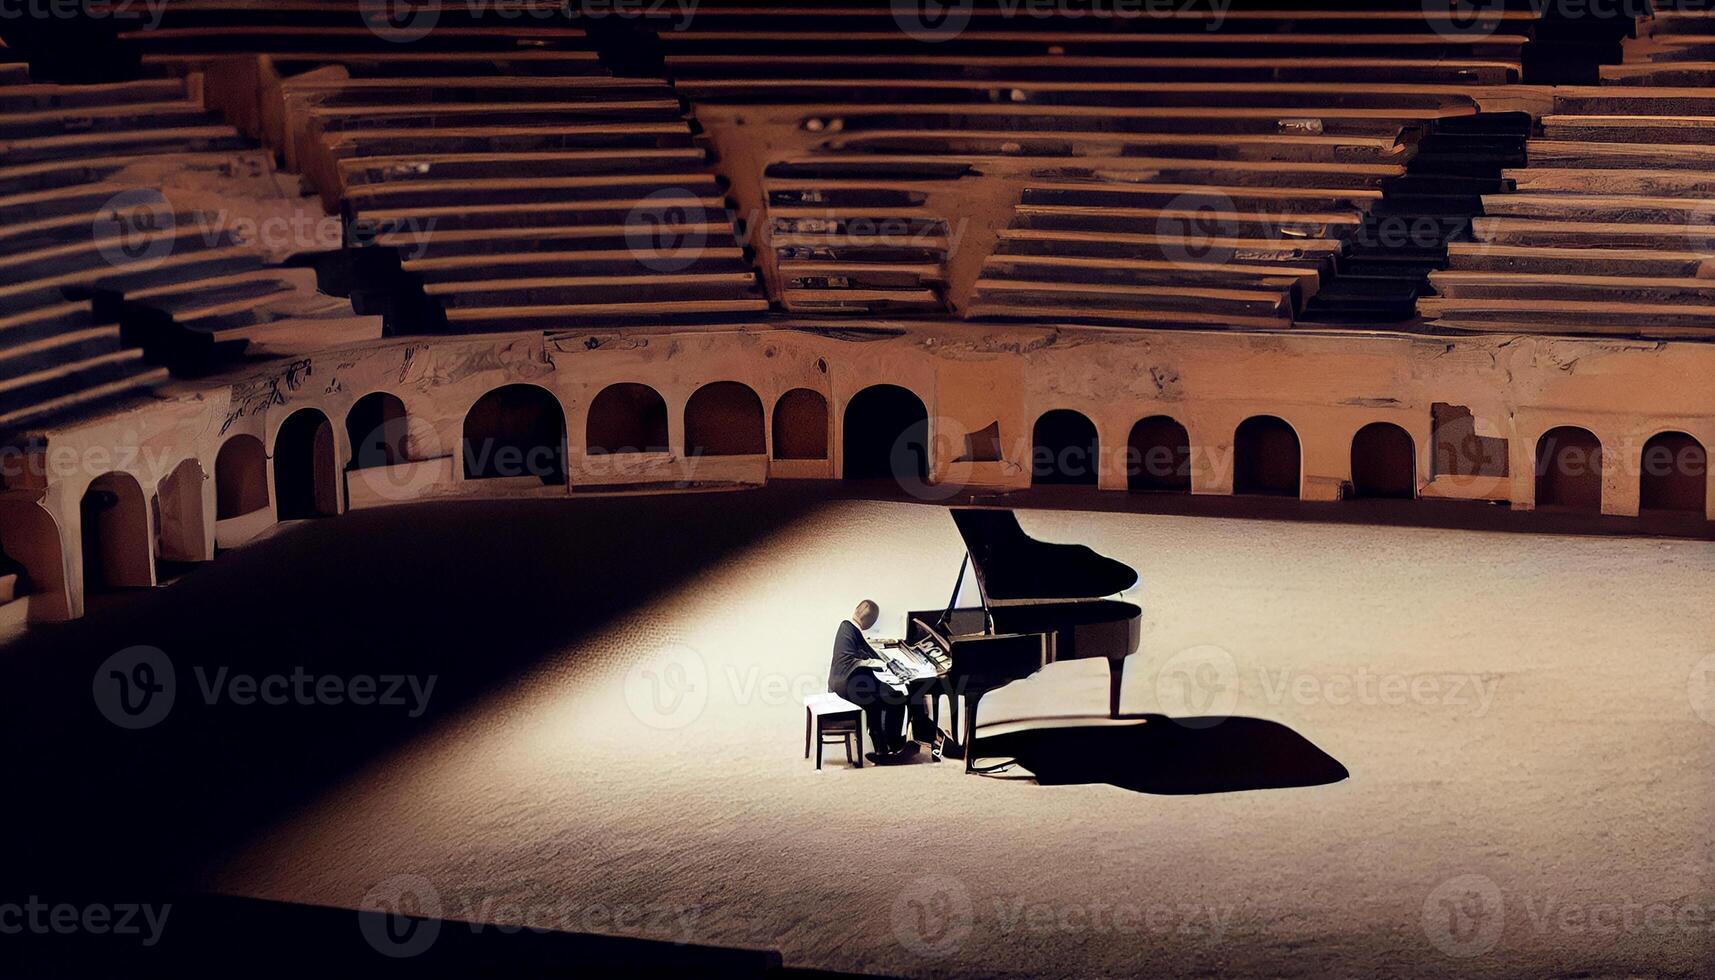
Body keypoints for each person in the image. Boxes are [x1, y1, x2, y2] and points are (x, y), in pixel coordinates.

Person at [829, 599, 921, 762]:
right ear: (869, 620)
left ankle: (885, 744)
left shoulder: (849, 629)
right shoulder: (848, 627)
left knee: (886, 695)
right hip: (849, 685)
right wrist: (885, 664)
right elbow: (860, 658)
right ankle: (889, 745)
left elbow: (862, 651)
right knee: (896, 699)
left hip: (845, 683)